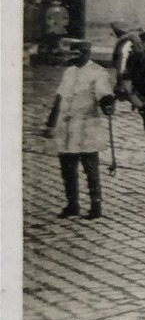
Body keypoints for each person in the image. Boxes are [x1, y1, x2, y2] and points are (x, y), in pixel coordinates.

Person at [41, 41, 115, 219]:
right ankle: (72, 204)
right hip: (66, 126)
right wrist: (50, 124)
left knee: (90, 167)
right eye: (72, 54)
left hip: (86, 126)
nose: (73, 58)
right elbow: (59, 98)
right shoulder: (69, 72)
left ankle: (96, 206)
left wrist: (108, 104)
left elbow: (105, 95)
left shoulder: (98, 73)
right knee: (67, 167)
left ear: (86, 54)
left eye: (77, 54)